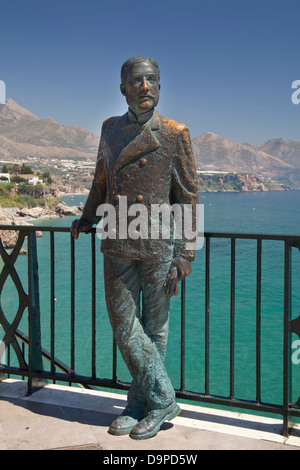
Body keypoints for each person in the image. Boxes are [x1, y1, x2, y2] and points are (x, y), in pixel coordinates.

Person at [71, 57, 198, 440]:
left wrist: (186, 253)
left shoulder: (175, 132)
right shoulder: (110, 129)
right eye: (137, 81)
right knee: (125, 326)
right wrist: (88, 216)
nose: (146, 87)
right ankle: (163, 399)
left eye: (153, 80)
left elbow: (189, 196)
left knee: (155, 328)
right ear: (123, 87)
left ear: (160, 86)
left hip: (159, 243)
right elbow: (100, 181)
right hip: (116, 237)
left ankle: (138, 403)